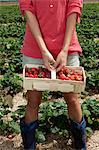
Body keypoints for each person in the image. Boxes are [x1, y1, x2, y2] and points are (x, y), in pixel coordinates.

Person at [18, 0, 86, 149]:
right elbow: (27, 9)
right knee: (33, 101)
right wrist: (43, 50)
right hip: (35, 47)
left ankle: (80, 145)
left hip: (67, 46)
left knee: (73, 99)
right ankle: (29, 146)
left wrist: (64, 49)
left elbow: (73, 8)